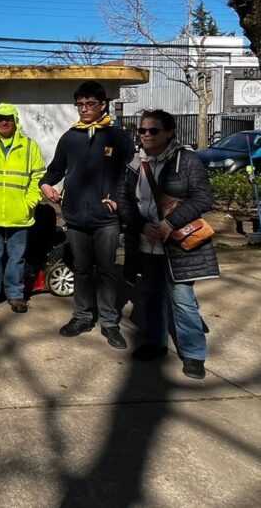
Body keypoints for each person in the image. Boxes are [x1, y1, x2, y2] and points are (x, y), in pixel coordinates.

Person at [118, 110, 218, 379]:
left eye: (153, 130)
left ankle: (194, 354)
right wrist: (142, 225)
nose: (145, 135)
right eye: (142, 130)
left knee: (183, 300)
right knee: (152, 296)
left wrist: (169, 224)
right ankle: (155, 343)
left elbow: (202, 198)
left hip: (178, 243)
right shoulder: (135, 163)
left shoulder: (186, 160)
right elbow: (124, 201)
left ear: (170, 132)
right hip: (146, 241)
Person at [40, 81, 134, 350]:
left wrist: (116, 199)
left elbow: (130, 173)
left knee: (106, 272)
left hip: (106, 219)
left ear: (103, 105)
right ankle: (81, 317)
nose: (84, 109)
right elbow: (55, 169)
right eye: (80, 104)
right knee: (81, 270)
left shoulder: (118, 137)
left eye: (90, 104)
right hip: (76, 217)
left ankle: (109, 322)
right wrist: (46, 184)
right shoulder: (71, 137)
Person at [0, 103, 45, 313]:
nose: (4, 122)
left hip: (19, 215)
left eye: (8, 118)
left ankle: (15, 294)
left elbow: (38, 177)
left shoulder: (30, 147)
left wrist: (29, 202)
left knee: (17, 258)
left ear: (15, 121)